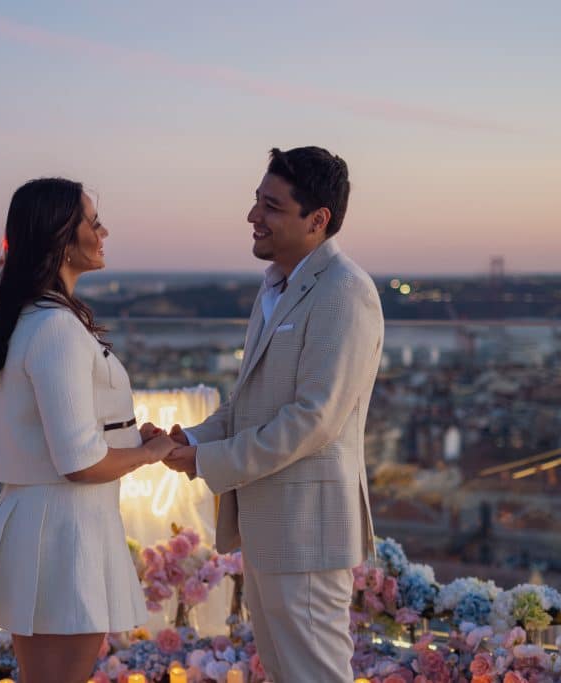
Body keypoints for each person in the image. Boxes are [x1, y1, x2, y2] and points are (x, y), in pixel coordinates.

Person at [161, 147, 384, 682]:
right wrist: (181, 438)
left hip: (307, 530)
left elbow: (314, 419)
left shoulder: (344, 292)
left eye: (271, 205)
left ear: (317, 220)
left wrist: (204, 459)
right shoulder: (276, 288)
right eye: (256, 201)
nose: (253, 216)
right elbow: (248, 405)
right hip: (271, 528)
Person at [0, 178, 176, 683]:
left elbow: (70, 438)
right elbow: (80, 463)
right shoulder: (56, 328)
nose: (104, 231)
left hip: (51, 523)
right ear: (61, 237)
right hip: (63, 529)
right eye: (93, 222)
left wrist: (130, 441)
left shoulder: (42, 319)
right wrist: (151, 452)